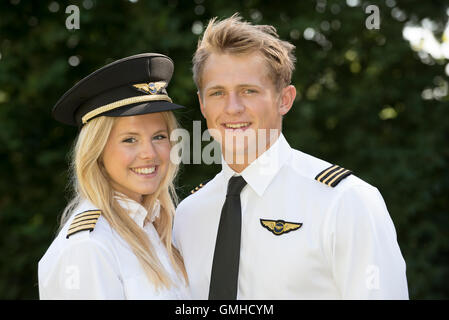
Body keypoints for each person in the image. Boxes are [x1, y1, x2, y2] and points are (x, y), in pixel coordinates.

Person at [173, 14, 409, 299]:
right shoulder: (188, 216)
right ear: (202, 103)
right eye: (218, 93)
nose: (232, 108)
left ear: (284, 99)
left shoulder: (345, 202)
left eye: (249, 91)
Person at [38, 53, 190, 299]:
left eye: (159, 136)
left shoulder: (161, 228)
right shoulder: (89, 246)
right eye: (130, 139)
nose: (149, 154)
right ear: (96, 151)